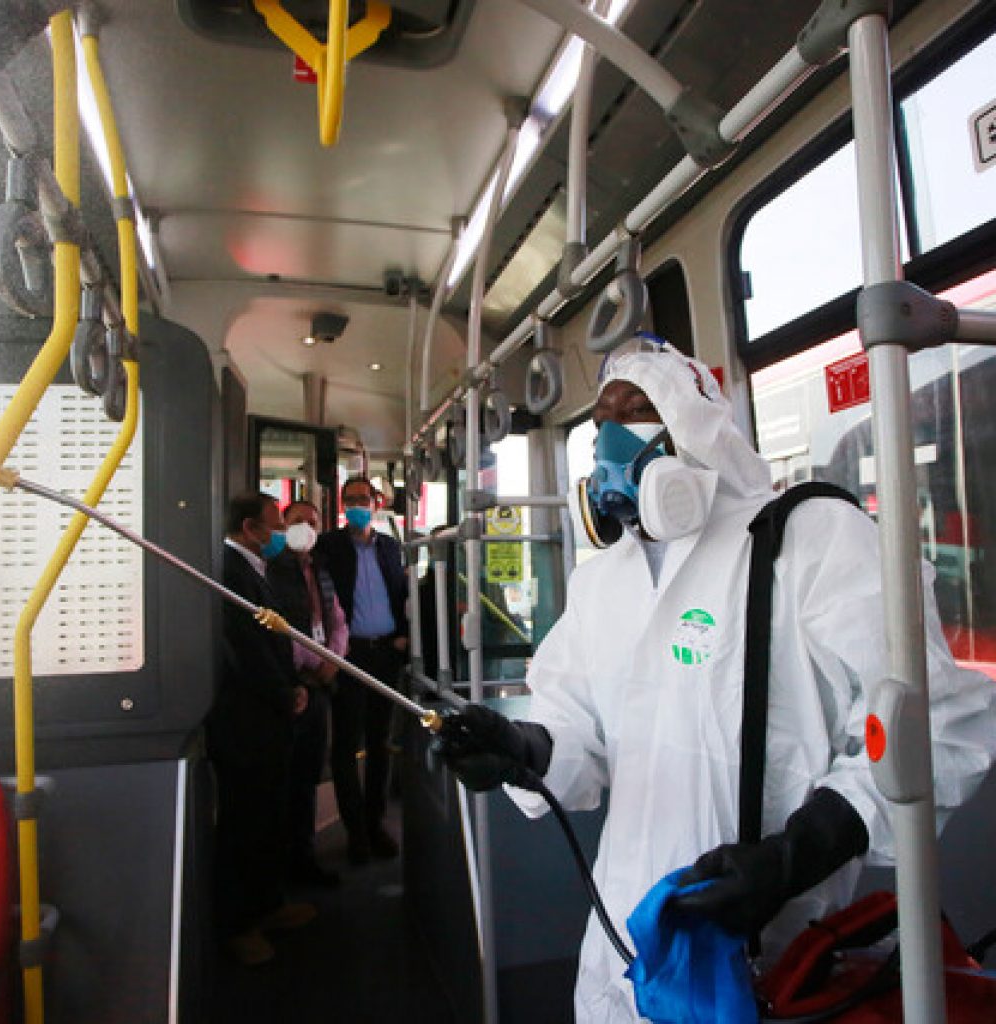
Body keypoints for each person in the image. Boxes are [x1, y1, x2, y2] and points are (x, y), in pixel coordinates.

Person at [434, 338, 996, 1022]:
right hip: (621, 941)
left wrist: (800, 854)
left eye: (635, 408)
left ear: (694, 421)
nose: (609, 434)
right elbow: (577, 729)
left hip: (767, 949)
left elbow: (937, 721)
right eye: (600, 419)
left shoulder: (809, 536)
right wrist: (525, 750)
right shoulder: (601, 582)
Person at [206, 492, 317, 966]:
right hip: (245, 720)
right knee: (244, 822)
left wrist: (292, 682)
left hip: (268, 715)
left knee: (269, 814)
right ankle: (238, 924)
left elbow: (276, 635)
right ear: (251, 528)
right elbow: (247, 648)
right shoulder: (228, 572)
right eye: (275, 525)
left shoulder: (254, 568)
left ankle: (267, 905)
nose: (279, 536)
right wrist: (283, 691)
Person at [317, 475, 409, 864]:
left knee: (379, 742)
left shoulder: (390, 546)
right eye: (349, 499)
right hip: (348, 655)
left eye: (362, 499)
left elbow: (401, 593)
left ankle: (376, 823)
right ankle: (355, 831)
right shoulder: (328, 546)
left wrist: (403, 636)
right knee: (345, 745)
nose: (356, 505)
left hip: (385, 652)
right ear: (342, 506)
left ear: (376, 503)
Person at [267, 498, 349, 888]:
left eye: (311, 523)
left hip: (320, 683)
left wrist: (333, 659)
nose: (305, 528)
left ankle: (304, 858)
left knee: (308, 779)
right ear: (283, 524)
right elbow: (277, 626)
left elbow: (336, 620)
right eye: (297, 521)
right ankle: (283, 866)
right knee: (286, 779)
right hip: (294, 683)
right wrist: (311, 662)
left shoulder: (319, 569)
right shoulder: (273, 570)